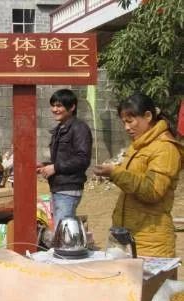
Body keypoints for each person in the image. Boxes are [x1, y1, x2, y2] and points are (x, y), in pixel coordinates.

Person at [94, 93, 183, 257]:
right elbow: (134, 177)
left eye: (130, 121)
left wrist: (115, 173)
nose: (126, 127)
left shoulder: (165, 148)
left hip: (150, 242)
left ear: (148, 116)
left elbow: (153, 191)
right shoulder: (138, 145)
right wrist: (114, 171)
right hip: (126, 236)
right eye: (123, 122)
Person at [37, 89, 92, 230]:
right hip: (59, 187)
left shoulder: (79, 128)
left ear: (72, 107)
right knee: (63, 231)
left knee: (62, 233)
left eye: (59, 106)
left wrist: (54, 168)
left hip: (68, 189)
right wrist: (45, 165)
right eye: (53, 105)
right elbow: (64, 158)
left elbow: (82, 159)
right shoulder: (60, 128)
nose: (55, 109)